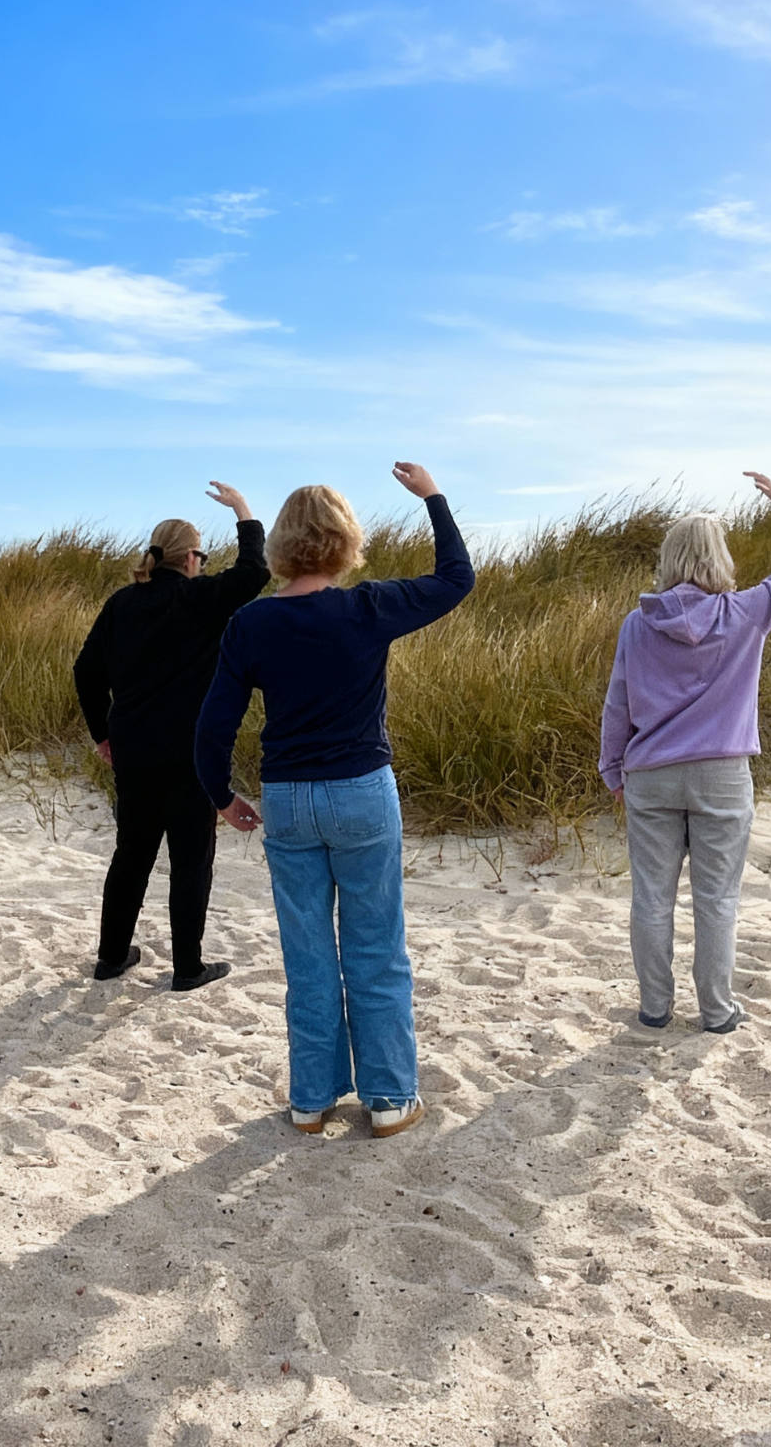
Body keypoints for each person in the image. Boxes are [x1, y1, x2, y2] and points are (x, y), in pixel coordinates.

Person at [195, 462, 474, 1139]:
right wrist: (433, 499)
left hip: (288, 798)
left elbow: (213, 726)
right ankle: (387, 1099)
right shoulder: (368, 606)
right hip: (361, 793)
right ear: (346, 541)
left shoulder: (252, 623)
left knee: (309, 954)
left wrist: (223, 797)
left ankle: (311, 1100)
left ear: (283, 546)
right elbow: (456, 578)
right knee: (375, 948)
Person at [599, 473, 771, 1033]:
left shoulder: (637, 622)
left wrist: (612, 768)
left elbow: (618, 702)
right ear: (718, 558)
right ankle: (716, 1012)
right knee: (716, 900)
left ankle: (655, 1008)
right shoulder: (747, 611)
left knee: (651, 898)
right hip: (722, 775)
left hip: (650, 773)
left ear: (670, 559)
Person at [73, 483, 269, 992]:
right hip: (188, 754)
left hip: (133, 752)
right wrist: (243, 510)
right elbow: (255, 572)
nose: (203, 564)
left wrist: (101, 734)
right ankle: (187, 968)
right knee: (191, 861)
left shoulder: (122, 604)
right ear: (188, 559)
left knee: (130, 857)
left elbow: (86, 670)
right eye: (201, 555)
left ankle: (112, 957)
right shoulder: (199, 598)